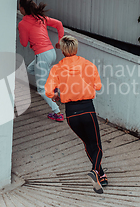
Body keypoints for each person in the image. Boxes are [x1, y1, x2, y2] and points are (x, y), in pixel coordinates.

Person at [45, 35, 108, 194]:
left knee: (88, 144)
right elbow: (98, 86)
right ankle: (95, 171)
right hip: (87, 110)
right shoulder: (88, 65)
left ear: (63, 50)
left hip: (71, 113)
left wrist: (57, 96)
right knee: (97, 145)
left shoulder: (56, 68)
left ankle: (101, 175)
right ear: (76, 48)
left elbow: (48, 91)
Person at [18, 0, 65, 122]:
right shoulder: (40, 18)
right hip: (51, 52)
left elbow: (23, 43)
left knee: (41, 89)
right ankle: (53, 85)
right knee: (30, 69)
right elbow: (59, 24)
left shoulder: (22, 24)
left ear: (22, 8)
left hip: (42, 55)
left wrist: (21, 32)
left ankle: (57, 112)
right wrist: (60, 40)